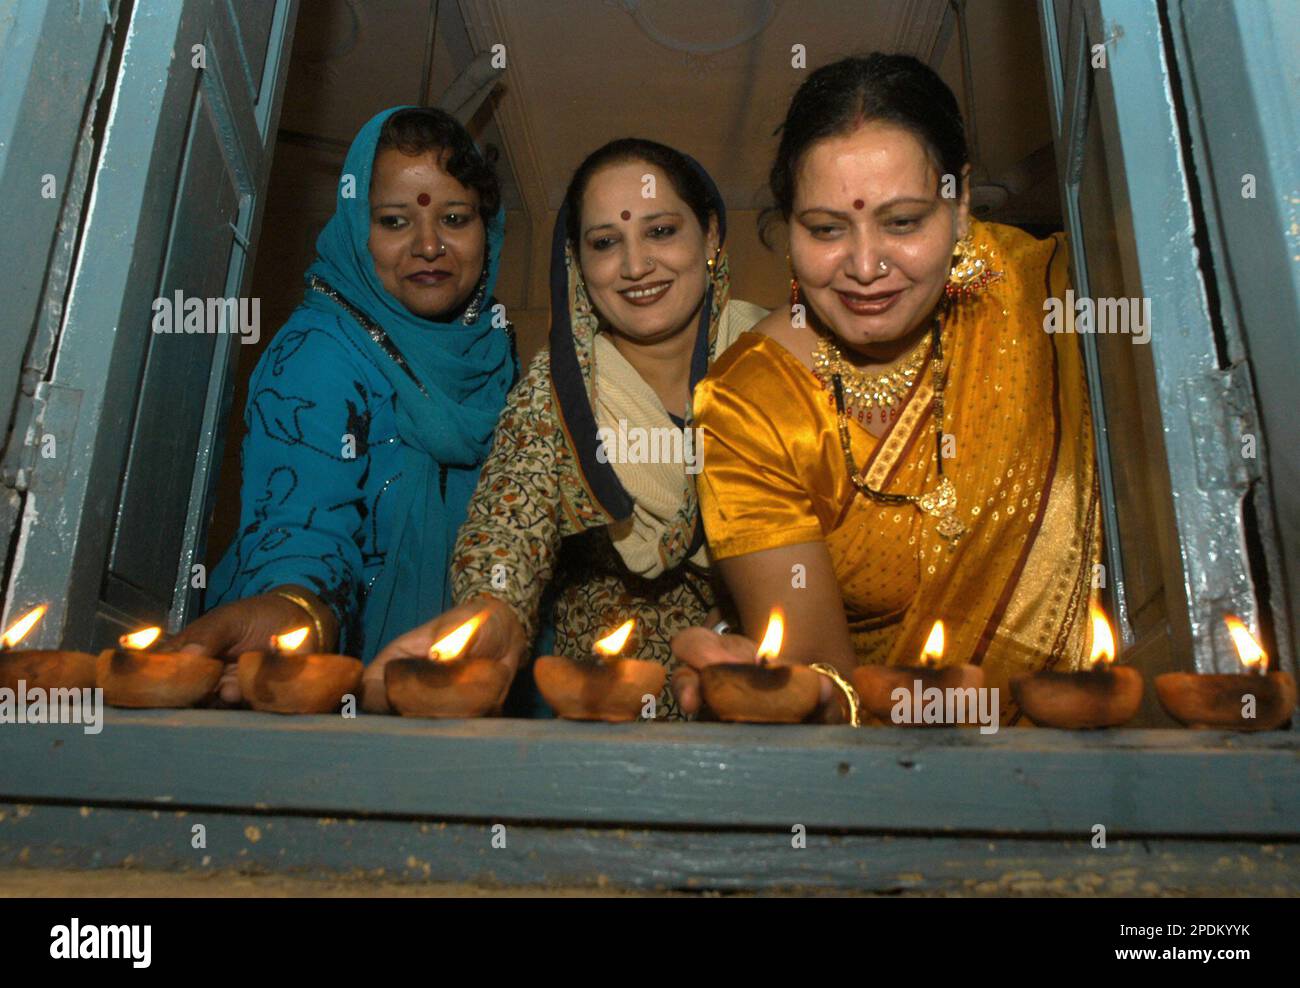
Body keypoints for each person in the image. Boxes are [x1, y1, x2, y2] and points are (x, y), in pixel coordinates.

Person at [674, 54, 1102, 725]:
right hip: (891, 778)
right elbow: (823, 675)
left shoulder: (1056, 298)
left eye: (902, 222)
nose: (866, 267)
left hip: (1128, 755)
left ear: (958, 207)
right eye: (826, 229)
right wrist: (799, 694)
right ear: (788, 229)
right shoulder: (747, 404)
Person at [363, 139, 767, 718]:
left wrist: (748, 610)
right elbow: (509, 517)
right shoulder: (559, 390)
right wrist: (493, 609)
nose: (634, 266)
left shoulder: (774, 360)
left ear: (710, 235)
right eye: (606, 243)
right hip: (604, 716)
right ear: (578, 261)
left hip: (758, 699)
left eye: (660, 232)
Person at [174, 106, 517, 697]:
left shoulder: (496, 359)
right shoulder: (320, 351)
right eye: (393, 221)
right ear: (357, 230)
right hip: (326, 689)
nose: (429, 244)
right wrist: (299, 610)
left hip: (460, 691)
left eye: (455, 218)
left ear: (487, 231)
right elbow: (302, 517)